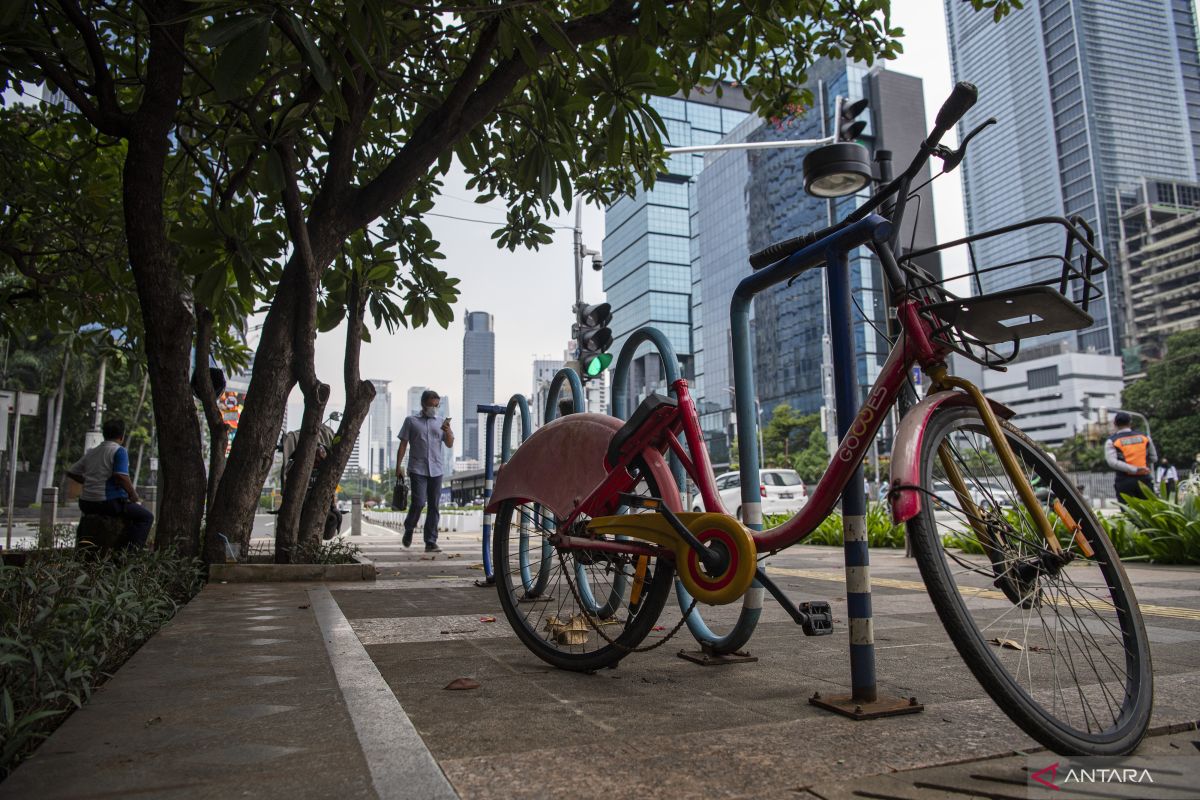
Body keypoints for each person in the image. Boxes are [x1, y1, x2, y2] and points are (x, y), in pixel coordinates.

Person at [66, 418, 154, 548]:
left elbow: (71, 471)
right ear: (122, 435)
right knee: (146, 517)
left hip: (86, 503)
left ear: (104, 434)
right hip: (107, 502)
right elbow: (121, 476)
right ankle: (131, 553)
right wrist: (133, 495)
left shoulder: (92, 452)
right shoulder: (119, 451)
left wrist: (87, 481)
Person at [396, 390, 454, 552]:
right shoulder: (411, 421)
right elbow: (403, 445)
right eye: (431, 405)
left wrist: (448, 431)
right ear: (423, 404)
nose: (434, 408)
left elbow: (449, 444)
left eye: (436, 405)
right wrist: (398, 466)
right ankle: (409, 528)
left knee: (434, 506)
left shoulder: (441, 422)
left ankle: (430, 541)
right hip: (417, 469)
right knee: (419, 502)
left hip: (437, 469)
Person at [1105, 412, 1156, 505]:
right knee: (1150, 512)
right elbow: (1153, 458)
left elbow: (1112, 462)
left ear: (1115, 424)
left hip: (1124, 481)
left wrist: (1134, 469)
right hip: (1145, 479)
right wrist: (1142, 467)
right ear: (1130, 422)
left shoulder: (1112, 441)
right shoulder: (1144, 437)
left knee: (1129, 514)